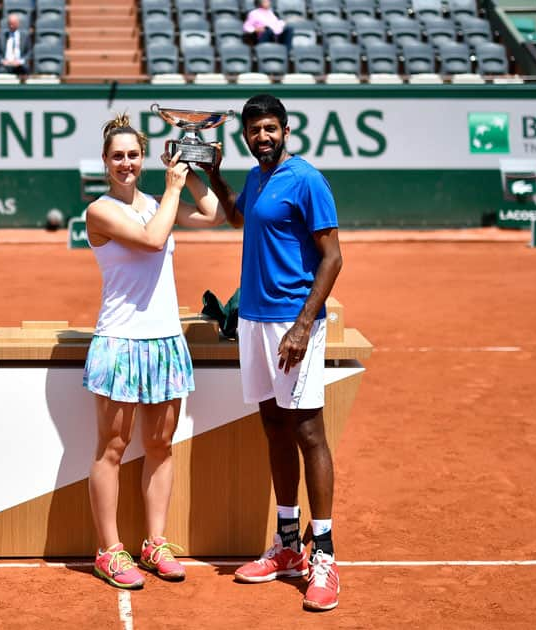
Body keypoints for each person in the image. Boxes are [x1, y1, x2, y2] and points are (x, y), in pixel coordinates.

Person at [203, 94, 344, 611]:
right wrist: (216, 177)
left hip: (292, 322)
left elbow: (333, 257)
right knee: (273, 425)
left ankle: (324, 552)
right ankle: (287, 544)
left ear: (285, 129)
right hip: (256, 320)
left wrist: (304, 324)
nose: (262, 136)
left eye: (269, 128)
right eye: (254, 130)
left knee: (308, 430)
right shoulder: (259, 178)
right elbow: (240, 217)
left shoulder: (307, 180)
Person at [84, 114, 226, 589]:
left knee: (160, 447)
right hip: (120, 341)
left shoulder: (156, 200)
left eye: (133, 154)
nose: (126, 163)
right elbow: (151, 239)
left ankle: (154, 543)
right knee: (113, 448)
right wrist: (171, 187)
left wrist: (195, 168)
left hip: (164, 340)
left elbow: (213, 215)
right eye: (117, 156)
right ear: (106, 162)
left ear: (144, 158)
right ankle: (109, 550)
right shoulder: (100, 211)